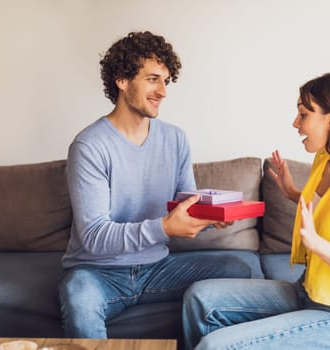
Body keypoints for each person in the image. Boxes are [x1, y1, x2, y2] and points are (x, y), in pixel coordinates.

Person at [183, 72, 330, 349]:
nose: (296, 123)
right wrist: (291, 192)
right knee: (199, 297)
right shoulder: (327, 159)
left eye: (304, 114)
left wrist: (317, 245)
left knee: (216, 345)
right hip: (308, 291)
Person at [58, 31, 252, 338]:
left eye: (165, 81)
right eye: (152, 79)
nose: (162, 91)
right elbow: (94, 236)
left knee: (238, 269)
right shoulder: (89, 146)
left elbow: (182, 204)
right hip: (98, 272)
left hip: (157, 269)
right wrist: (164, 228)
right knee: (78, 297)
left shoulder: (175, 139)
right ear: (122, 80)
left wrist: (210, 216)